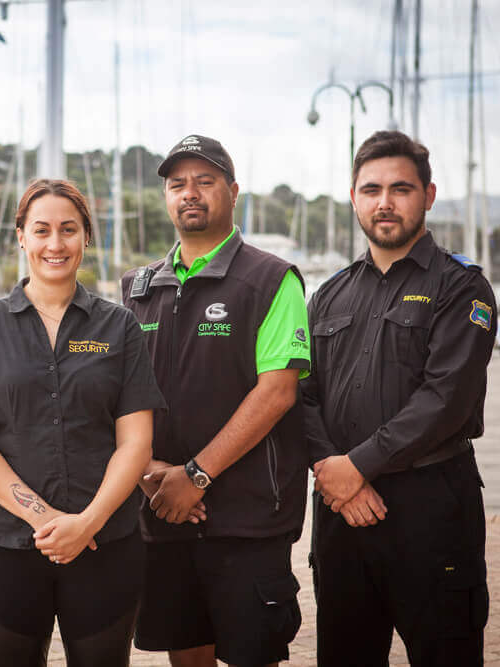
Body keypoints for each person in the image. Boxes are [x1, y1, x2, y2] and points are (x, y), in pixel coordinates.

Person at [0, 179, 165, 667]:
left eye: (68, 230)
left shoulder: (119, 325)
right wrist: (47, 521)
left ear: (87, 236)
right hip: (5, 546)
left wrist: (86, 524)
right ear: (20, 236)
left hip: (106, 545)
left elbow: (136, 442)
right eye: (41, 230)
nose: (55, 244)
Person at [303, 130, 495, 665]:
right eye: (371, 190)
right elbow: (301, 393)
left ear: (428, 196)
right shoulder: (329, 294)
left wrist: (357, 465)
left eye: (400, 189)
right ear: (354, 198)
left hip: (432, 509)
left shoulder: (462, 288)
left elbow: (446, 398)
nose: (384, 202)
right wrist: (332, 472)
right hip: (341, 513)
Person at [121, 134, 310, 667]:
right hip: (162, 511)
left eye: (205, 182)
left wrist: (195, 475)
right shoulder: (138, 287)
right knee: (187, 655)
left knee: (254, 655)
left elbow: (277, 393)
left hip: (248, 518)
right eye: (178, 184)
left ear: (232, 192)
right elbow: (119, 397)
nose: (190, 193)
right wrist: (150, 471)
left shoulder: (273, 280)